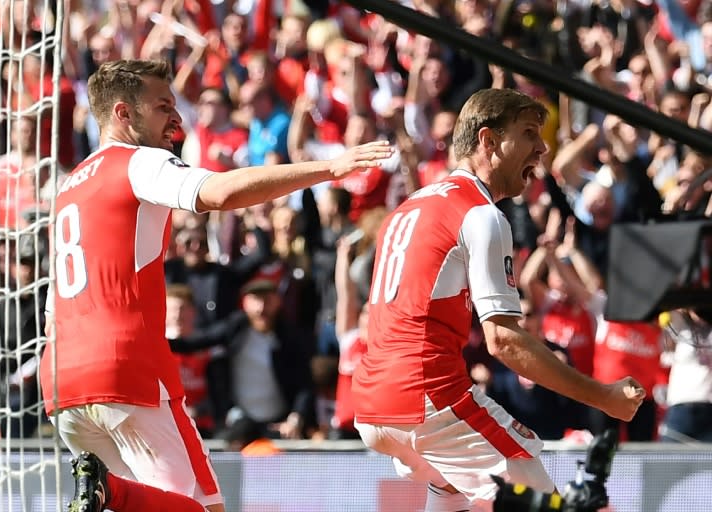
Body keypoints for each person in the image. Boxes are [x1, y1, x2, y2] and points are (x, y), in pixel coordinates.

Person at [39, 59, 392, 512]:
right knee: (203, 508)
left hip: (63, 382)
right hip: (125, 371)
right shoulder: (137, 162)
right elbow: (221, 193)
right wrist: (329, 169)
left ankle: (110, 492)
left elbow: (53, 305)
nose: (177, 118)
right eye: (163, 105)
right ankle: (112, 490)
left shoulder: (69, 188)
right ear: (123, 114)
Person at [351, 88, 646, 512]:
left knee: (450, 492)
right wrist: (603, 396)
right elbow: (503, 341)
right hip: (427, 399)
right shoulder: (480, 214)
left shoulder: (408, 206)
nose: (543, 148)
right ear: (488, 141)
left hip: (375, 405)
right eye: (529, 134)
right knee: (551, 505)